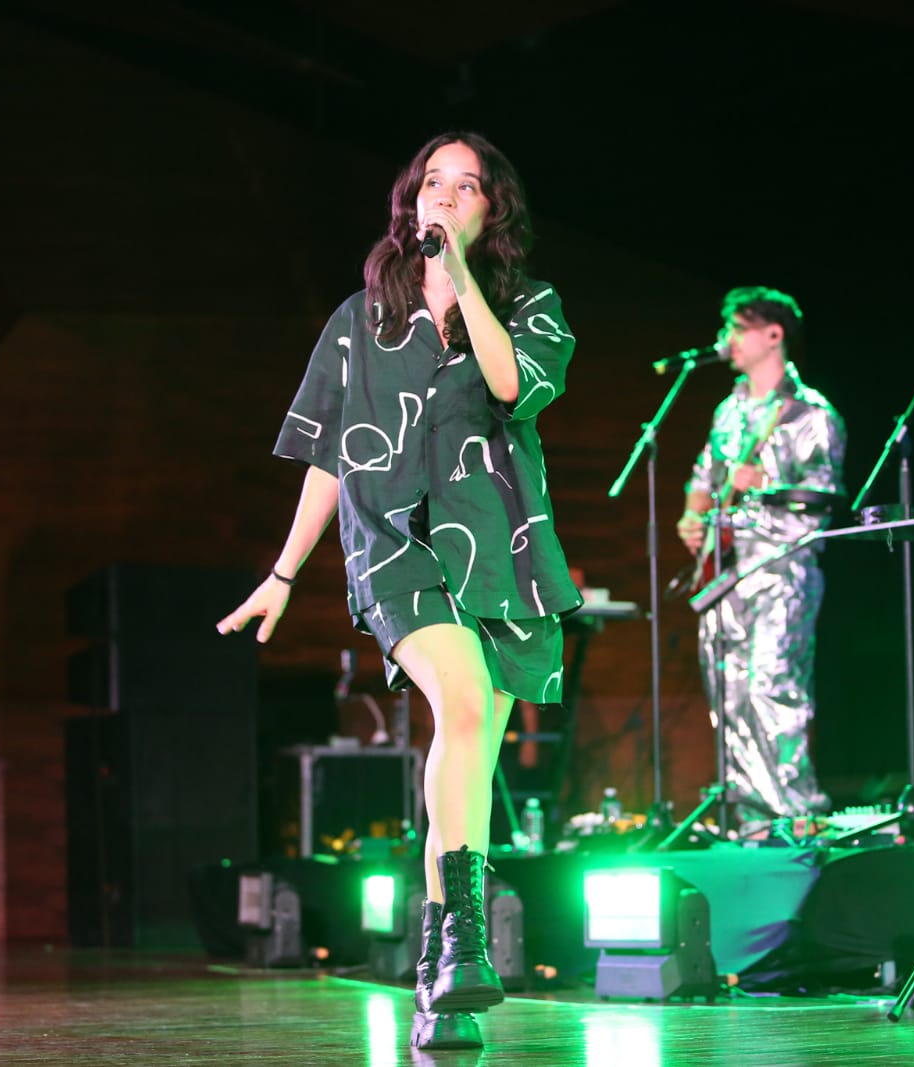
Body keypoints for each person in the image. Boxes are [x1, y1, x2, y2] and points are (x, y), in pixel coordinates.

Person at [217, 131, 580, 1051]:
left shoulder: (531, 306)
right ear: (408, 201)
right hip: (396, 549)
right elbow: (330, 458)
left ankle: (438, 975)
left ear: (492, 210)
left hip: (503, 557)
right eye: (434, 185)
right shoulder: (357, 320)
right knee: (459, 704)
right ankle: (463, 935)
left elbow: (511, 384)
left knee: (468, 754)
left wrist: (459, 277)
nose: (448, 199)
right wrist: (282, 573)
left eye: (468, 189)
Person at [675, 286, 846, 834]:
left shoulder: (811, 414)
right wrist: (692, 518)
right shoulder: (728, 410)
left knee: (772, 686)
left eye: (737, 328)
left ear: (773, 334)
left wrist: (767, 483)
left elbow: (825, 495)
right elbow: (703, 479)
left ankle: (794, 812)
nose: (727, 340)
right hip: (726, 574)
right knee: (726, 690)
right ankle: (749, 818)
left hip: (782, 568)